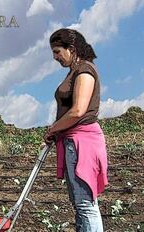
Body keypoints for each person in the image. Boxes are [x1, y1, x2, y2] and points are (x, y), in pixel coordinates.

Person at [44, 28, 108, 232]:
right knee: (81, 204)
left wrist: (53, 129)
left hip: (82, 144)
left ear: (71, 48)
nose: (55, 57)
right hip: (73, 142)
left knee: (85, 205)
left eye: (57, 52)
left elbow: (78, 110)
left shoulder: (85, 70)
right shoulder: (75, 71)